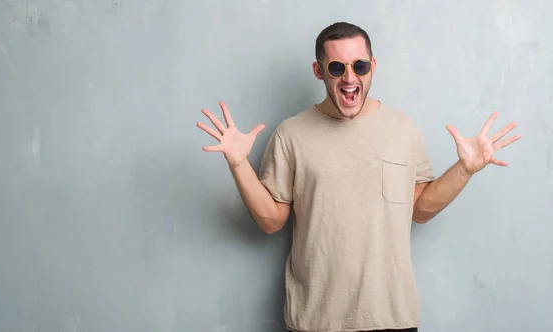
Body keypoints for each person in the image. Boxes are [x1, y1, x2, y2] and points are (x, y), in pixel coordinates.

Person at [196, 22, 520, 332]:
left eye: (360, 66)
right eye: (337, 68)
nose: (349, 78)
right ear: (319, 71)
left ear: (373, 66)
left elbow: (419, 210)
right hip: (315, 320)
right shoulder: (291, 134)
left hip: (392, 316)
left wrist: (464, 169)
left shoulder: (402, 129)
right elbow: (271, 221)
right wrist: (239, 164)